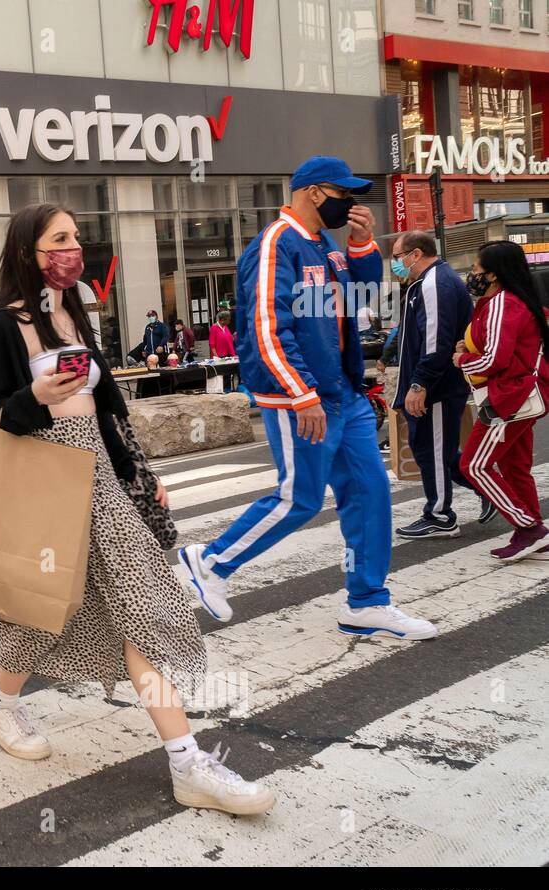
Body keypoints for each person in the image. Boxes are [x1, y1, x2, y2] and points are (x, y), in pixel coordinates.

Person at [0, 202, 274, 815]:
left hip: (103, 485)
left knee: (141, 604)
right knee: (45, 609)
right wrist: (34, 395)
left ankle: (187, 762)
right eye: (60, 240)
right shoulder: (5, 327)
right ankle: (0, 704)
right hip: (44, 484)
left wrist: (142, 474)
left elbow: (109, 411)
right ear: (29, 250)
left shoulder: (77, 316)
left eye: (76, 239)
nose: (73, 250)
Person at [178, 155, 437, 640]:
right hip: (305, 397)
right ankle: (210, 560)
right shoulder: (278, 242)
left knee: (369, 492)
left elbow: (359, 302)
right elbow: (265, 326)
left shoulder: (323, 244)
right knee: (299, 497)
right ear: (316, 192)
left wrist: (361, 244)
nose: (351, 204)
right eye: (344, 195)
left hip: (344, 393)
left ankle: (366, 601)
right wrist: (301, 394)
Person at [389, 230, 492, 537]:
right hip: (436, 384)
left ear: (415, 254)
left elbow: (436, 342)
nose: (395, 264)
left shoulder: (434, 283)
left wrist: (419, 384)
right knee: (436, 451)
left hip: (436, 387)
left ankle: (440, 515)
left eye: (397, 257)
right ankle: (489, 489)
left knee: (433, 450)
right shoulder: (426, 283)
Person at [455, 240, 549, 561]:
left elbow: (494, 359)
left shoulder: (502, 304)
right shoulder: (519, 300)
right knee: (514, 465)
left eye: (476, 269)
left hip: (508, 399)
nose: (472, 275)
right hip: (524, 395)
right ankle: (533, 534)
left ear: (493, 274)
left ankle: (530, 529)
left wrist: (462, 360)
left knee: (474, 465)